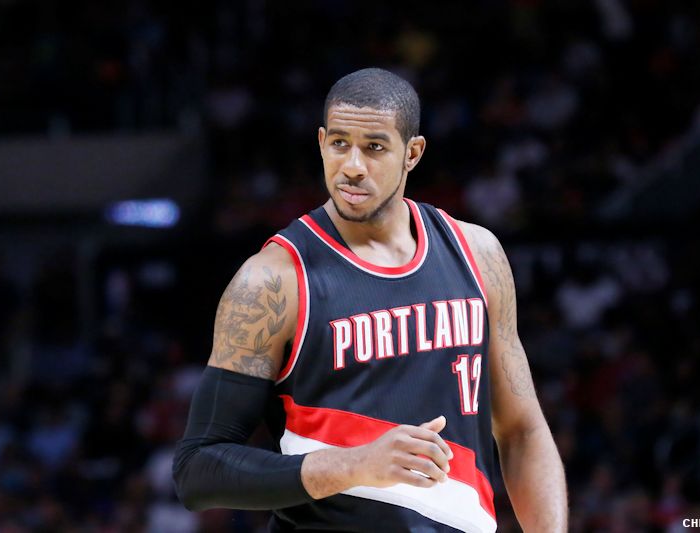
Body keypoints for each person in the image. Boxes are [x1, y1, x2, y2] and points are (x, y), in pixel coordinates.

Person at [173, 68, 567, 532]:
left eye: (375, 147)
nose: (353, 166)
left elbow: (521, 432)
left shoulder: (478, 254)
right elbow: (198, 469)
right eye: (340, 144)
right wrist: (355, 465)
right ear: (322, 143)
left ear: (412, 154)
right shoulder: (272, 281)